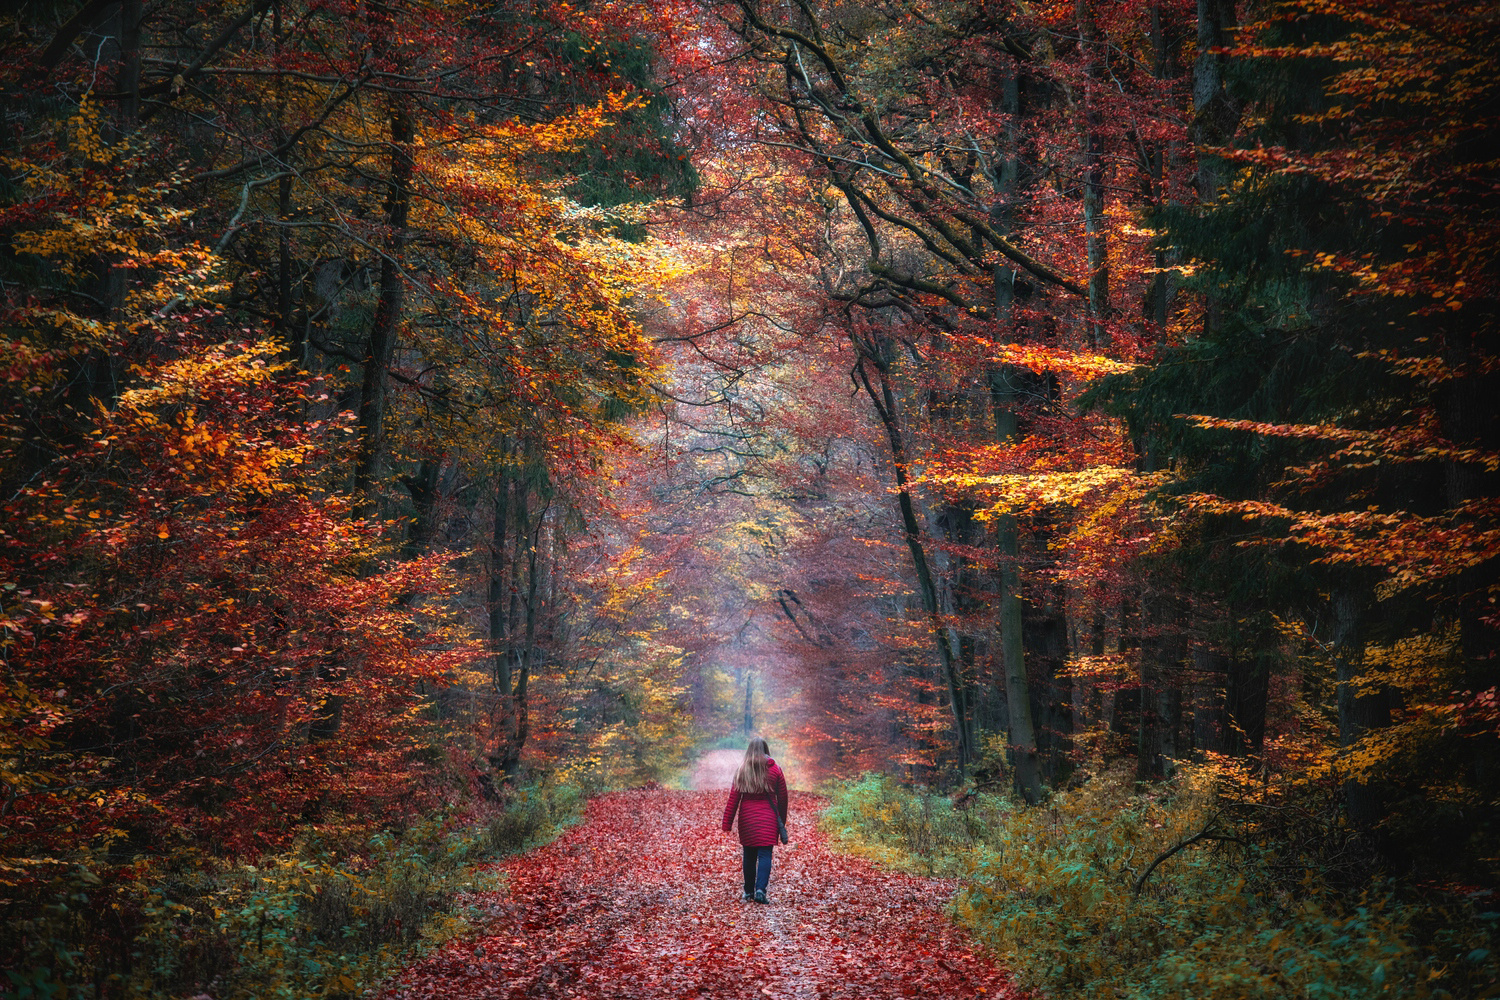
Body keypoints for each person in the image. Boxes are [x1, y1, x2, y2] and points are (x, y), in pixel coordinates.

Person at [721, 737, 788, 904]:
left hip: (747, 819)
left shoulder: (743, 770)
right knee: (765, 854)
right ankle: (760, 890)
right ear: (766, 749)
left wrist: (727, 823)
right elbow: (783, 797)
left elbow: (734, 797)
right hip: (768, 820)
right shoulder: (775, 770)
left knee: (749, 855)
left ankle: (748, 891)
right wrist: (781, 821)